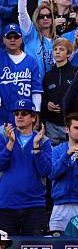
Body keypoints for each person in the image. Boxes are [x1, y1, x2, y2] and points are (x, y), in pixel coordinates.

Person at [0, 99, 51, 236]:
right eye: (16, 114)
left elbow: (45, 170)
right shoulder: (5, 137)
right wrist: (10, 144)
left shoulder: (43, 141)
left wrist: (36, 146)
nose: (19, 116)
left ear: (33, 117)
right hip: (7, 205)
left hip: (34, 205)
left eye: (24, 113)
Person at [0, 23, 43, 125]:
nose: (12, 40)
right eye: (9, 37)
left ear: (21, 39)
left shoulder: (31, 62)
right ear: (4, 40)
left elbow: (36, 90)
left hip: (24, 116)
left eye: (16, 36)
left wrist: (36, 113)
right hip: (2, 115)